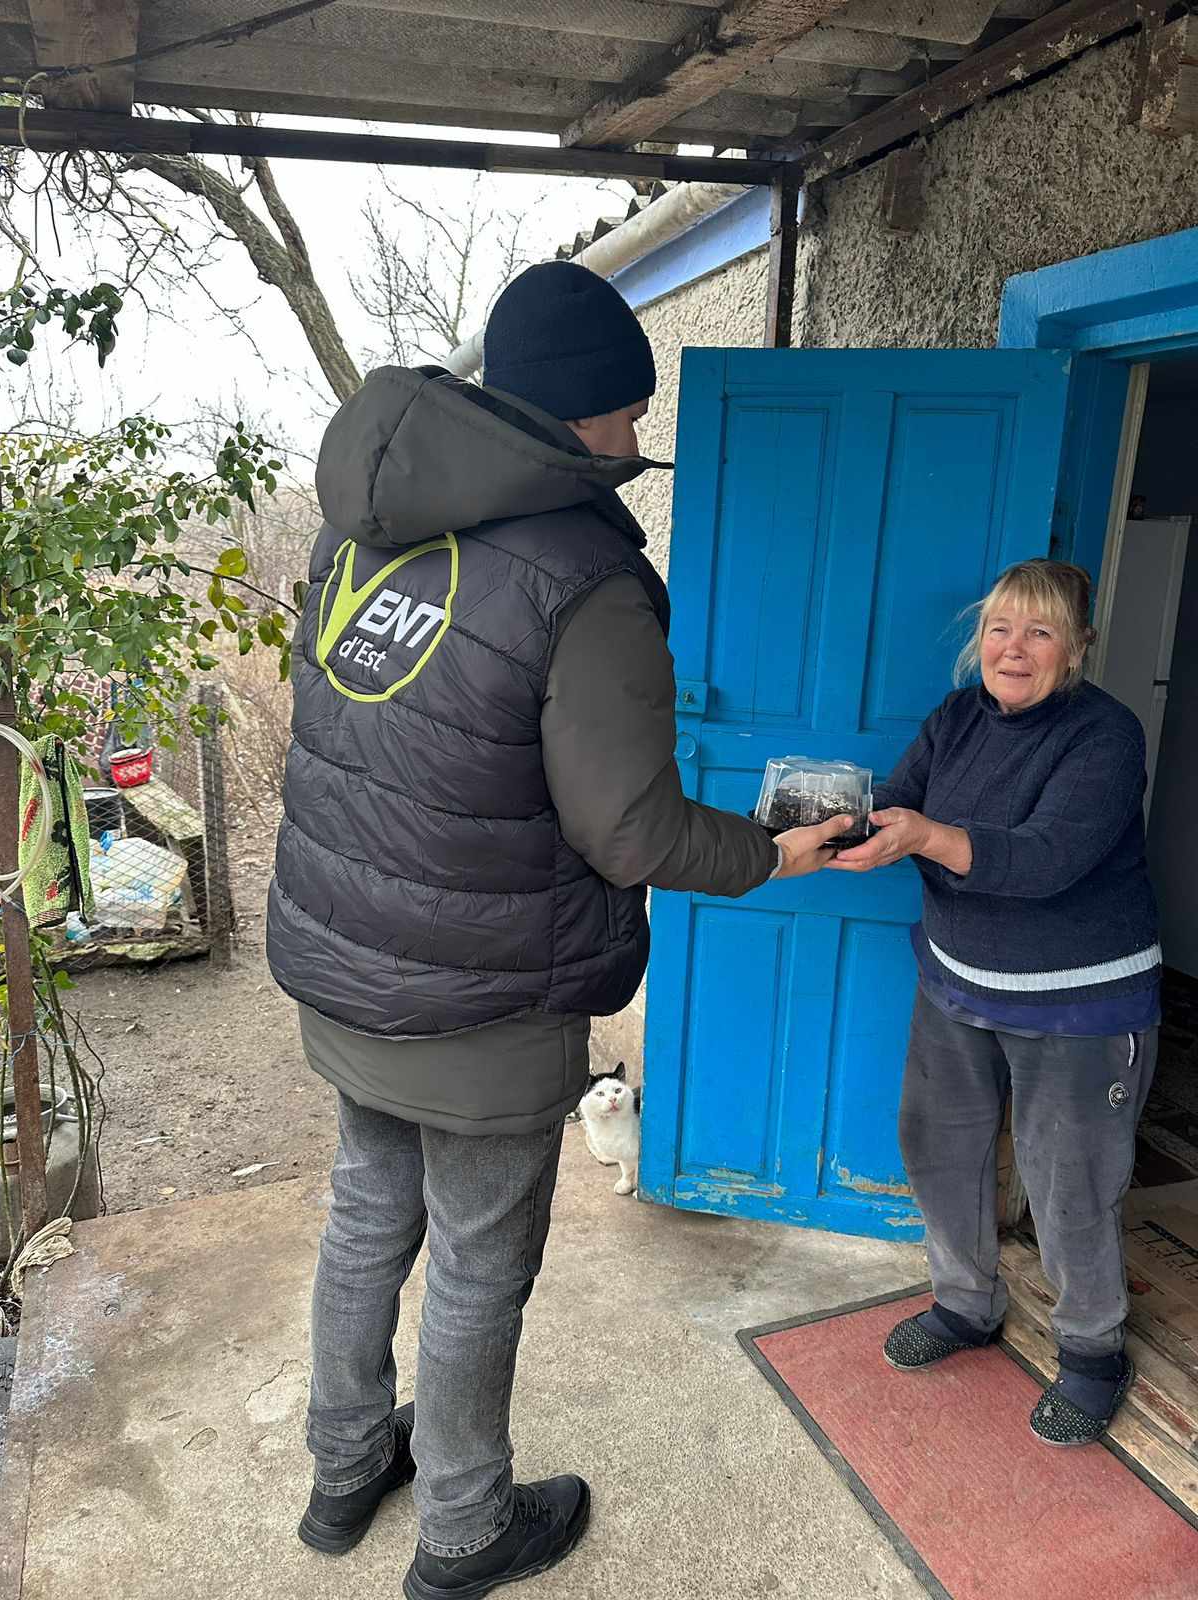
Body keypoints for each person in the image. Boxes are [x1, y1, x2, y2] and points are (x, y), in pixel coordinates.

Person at [265, 260, 849, 1598]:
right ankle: (466, 1525)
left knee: (366, 1219)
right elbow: (630, 833)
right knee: (477, 1257)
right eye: (632, 414)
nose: (639, 442)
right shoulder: (581, 576)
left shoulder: (359, 530)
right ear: (583, 414)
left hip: (348, 974)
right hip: (484, 1003)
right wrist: (774, 849)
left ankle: (347, 1463)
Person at [830, 559, 1160, 1447]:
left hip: (1081, 1005)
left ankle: (1092, 1354)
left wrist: (927, 837)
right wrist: (838, 824)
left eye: (1041, 631)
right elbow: (901, 798)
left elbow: (1046, 859)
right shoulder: (958, 717)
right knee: (938, 1152)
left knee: (1071, 1187)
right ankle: (966, 1305)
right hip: (956, 984)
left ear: (1078, 648)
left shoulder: (1105, 736)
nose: (1015, 649)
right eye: (1002, 628)